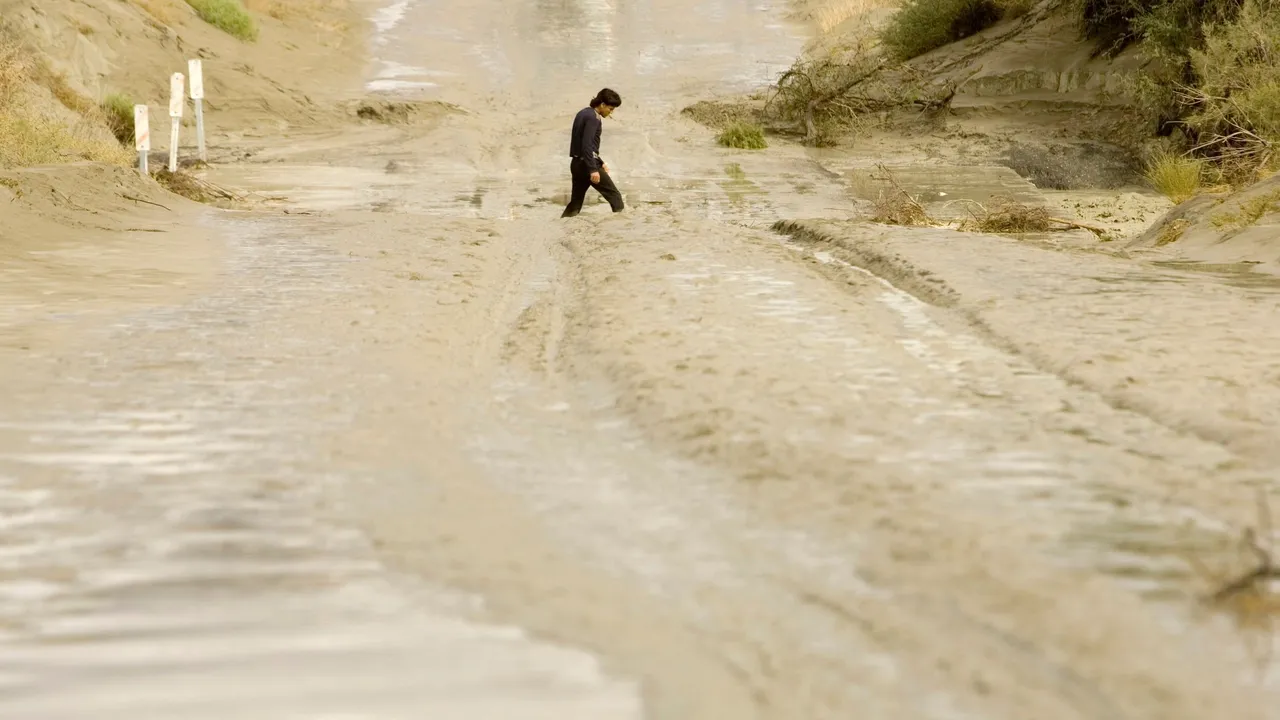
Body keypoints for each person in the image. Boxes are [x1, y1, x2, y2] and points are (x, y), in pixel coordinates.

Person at [561, 88, 625, 218]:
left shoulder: (583, 113)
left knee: (576, 203)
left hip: (577, 164)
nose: (611, 113)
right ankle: (622, 229)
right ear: (602, 105)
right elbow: (587, 145)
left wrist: (600, 163)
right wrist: (593, 169)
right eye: (610, 109)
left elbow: (584, 145)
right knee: (615, 197)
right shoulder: (594, 118)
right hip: (587, 165)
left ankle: (563, 227)